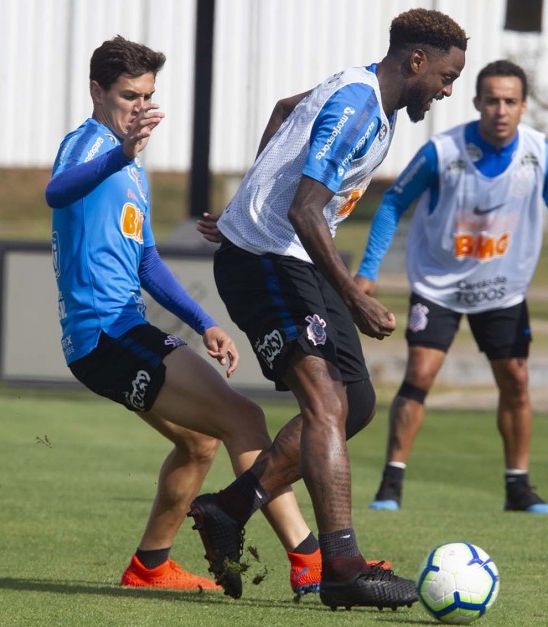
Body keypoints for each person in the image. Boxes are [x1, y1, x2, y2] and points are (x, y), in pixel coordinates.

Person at [188, 9, 468, 611]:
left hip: (294, 257)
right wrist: (354, 295)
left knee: (356, 404)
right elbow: (305, 210)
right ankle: (340, 564)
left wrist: (248, 193)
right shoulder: (359, 105)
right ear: (415, 61)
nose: (448, 91)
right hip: (265, 257)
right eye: (447, 77)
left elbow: (288, 110)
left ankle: (227, 508)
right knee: (324, 403)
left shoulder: (368, 97)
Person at [45, 35, 339, 597]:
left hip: (121, 329)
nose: (141, 106)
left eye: (149, 95)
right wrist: (118, 155)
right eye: (129, 95)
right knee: (244, 418)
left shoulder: (132, 168)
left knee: (200, 443)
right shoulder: (89, 145)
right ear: (96, 92)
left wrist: (203, 321)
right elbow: (56, 193)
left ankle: (150, 567)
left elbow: (146, 259)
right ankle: (309, 560)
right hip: (105, 334)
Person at [355, 60, 548, 515]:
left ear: (523, 106)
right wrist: (369, 268)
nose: (501, 110)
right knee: (420, 374)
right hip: (438, 284)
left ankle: (519, 489)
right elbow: (394, 201)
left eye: (510, 101)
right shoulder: (444, 151)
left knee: (516, 380)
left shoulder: (541, 154)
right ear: (477, 102)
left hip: (502, 288)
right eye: (492, 100)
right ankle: (390, 485)